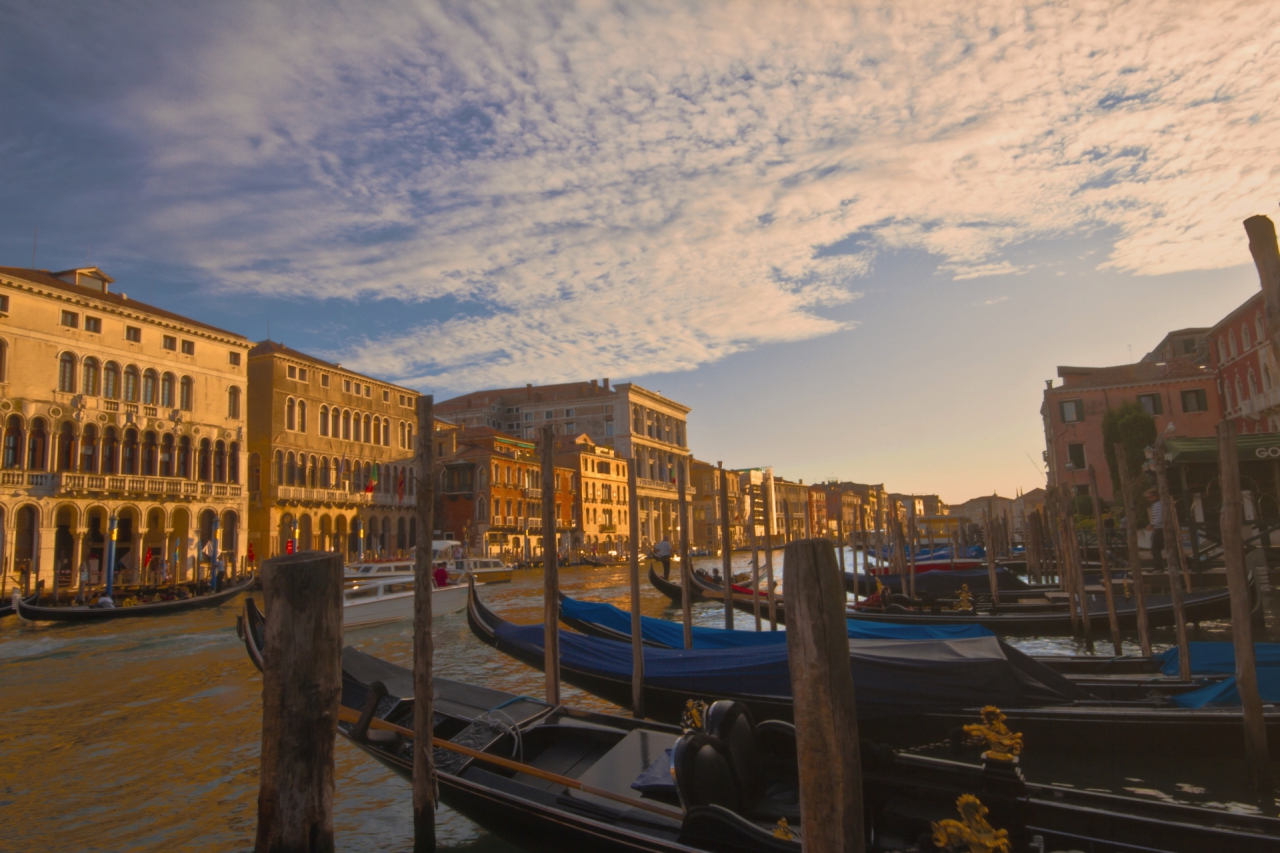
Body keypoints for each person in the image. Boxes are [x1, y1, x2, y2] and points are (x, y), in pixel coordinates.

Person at [1145, 489, 1165, 573]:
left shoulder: (1159, 504)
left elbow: (1161, 516)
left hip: (1160, 528)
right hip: (1158, 528)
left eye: (1150, 496)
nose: (1149, 498)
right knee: (1155, 549)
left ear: (1155, 496)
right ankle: (1158, 568)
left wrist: (1152, 524)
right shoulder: (1155, 505)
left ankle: (1158, 568)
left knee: (1155, 548)